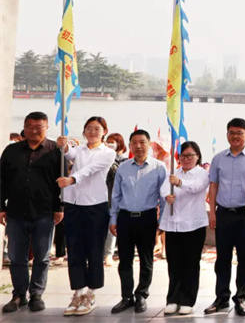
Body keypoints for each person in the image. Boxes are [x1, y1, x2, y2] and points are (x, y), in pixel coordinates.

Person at [0, 112, 63, 313]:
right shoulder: (12, 150)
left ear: (47, 127)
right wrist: (1, 207)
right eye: (30, 126)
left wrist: (59, 208)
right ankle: (19, 294)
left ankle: (36, 294)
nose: (34, 131)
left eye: (39, 127)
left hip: (44, 212)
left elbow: (61, 183)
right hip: (16, 212)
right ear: (24, 127)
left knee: (42, 256)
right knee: (16, 256)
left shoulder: (55, 151)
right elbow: (2, 180)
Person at [56, 116, 116, 316]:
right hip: (74, 205)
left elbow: (90, 170)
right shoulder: (80, 150)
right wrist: (64, 145)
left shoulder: (108, 153)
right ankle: (78, 292)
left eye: (97, 129)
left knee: (94, 250)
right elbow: (69, 152)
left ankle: (91, 292)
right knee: (74, 250)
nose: (92, 132)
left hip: (95, 206)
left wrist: (72, 179)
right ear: (83, 131)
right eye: (88, 128)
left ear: (104, 131)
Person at [205, 118, 245, 316]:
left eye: (239, 133)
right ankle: (221, 297)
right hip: (224, 214)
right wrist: (212, 212)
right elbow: (213, 186)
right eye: (232, 133)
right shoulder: (218, 158)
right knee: (222, 258)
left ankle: (241, 298)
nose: (235, 136)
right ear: (227, 134)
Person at [109, 129, 167, 314]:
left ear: (149, 144)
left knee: (146, 259)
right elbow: (116, 195)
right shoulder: (123, 167)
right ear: (130, 145)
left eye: (142, 142)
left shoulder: (159, 167)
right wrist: (113, 218)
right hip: (125, 218)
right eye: (134, 142)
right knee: (124, 259)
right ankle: (126, 296)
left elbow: (164, 197)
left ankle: (141, 294)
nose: (138, 146)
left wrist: (162, 221)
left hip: (147, 218)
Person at [161, 141, 210, 316]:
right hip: (173, 224)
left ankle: (188, 300)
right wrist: (167, 196)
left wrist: (180, 183)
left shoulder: (202, 174)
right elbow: (164, 188)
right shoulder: (173, 172)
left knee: (190, 264)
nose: (186, 159)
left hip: (193, 225)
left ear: (198, 157)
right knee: (174, 263)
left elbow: (196, 188)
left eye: (190, 155)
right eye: (183, 156)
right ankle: (173, 299)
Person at [103, 132, 127, 267]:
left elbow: (117, 172)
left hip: (115, 197)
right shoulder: (101, 156)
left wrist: (110, 157)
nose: (110, 144)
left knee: (112, 226)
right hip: (101, 196)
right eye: (108, 142)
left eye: (113, 142)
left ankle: (109, 254)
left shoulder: (123, 161)